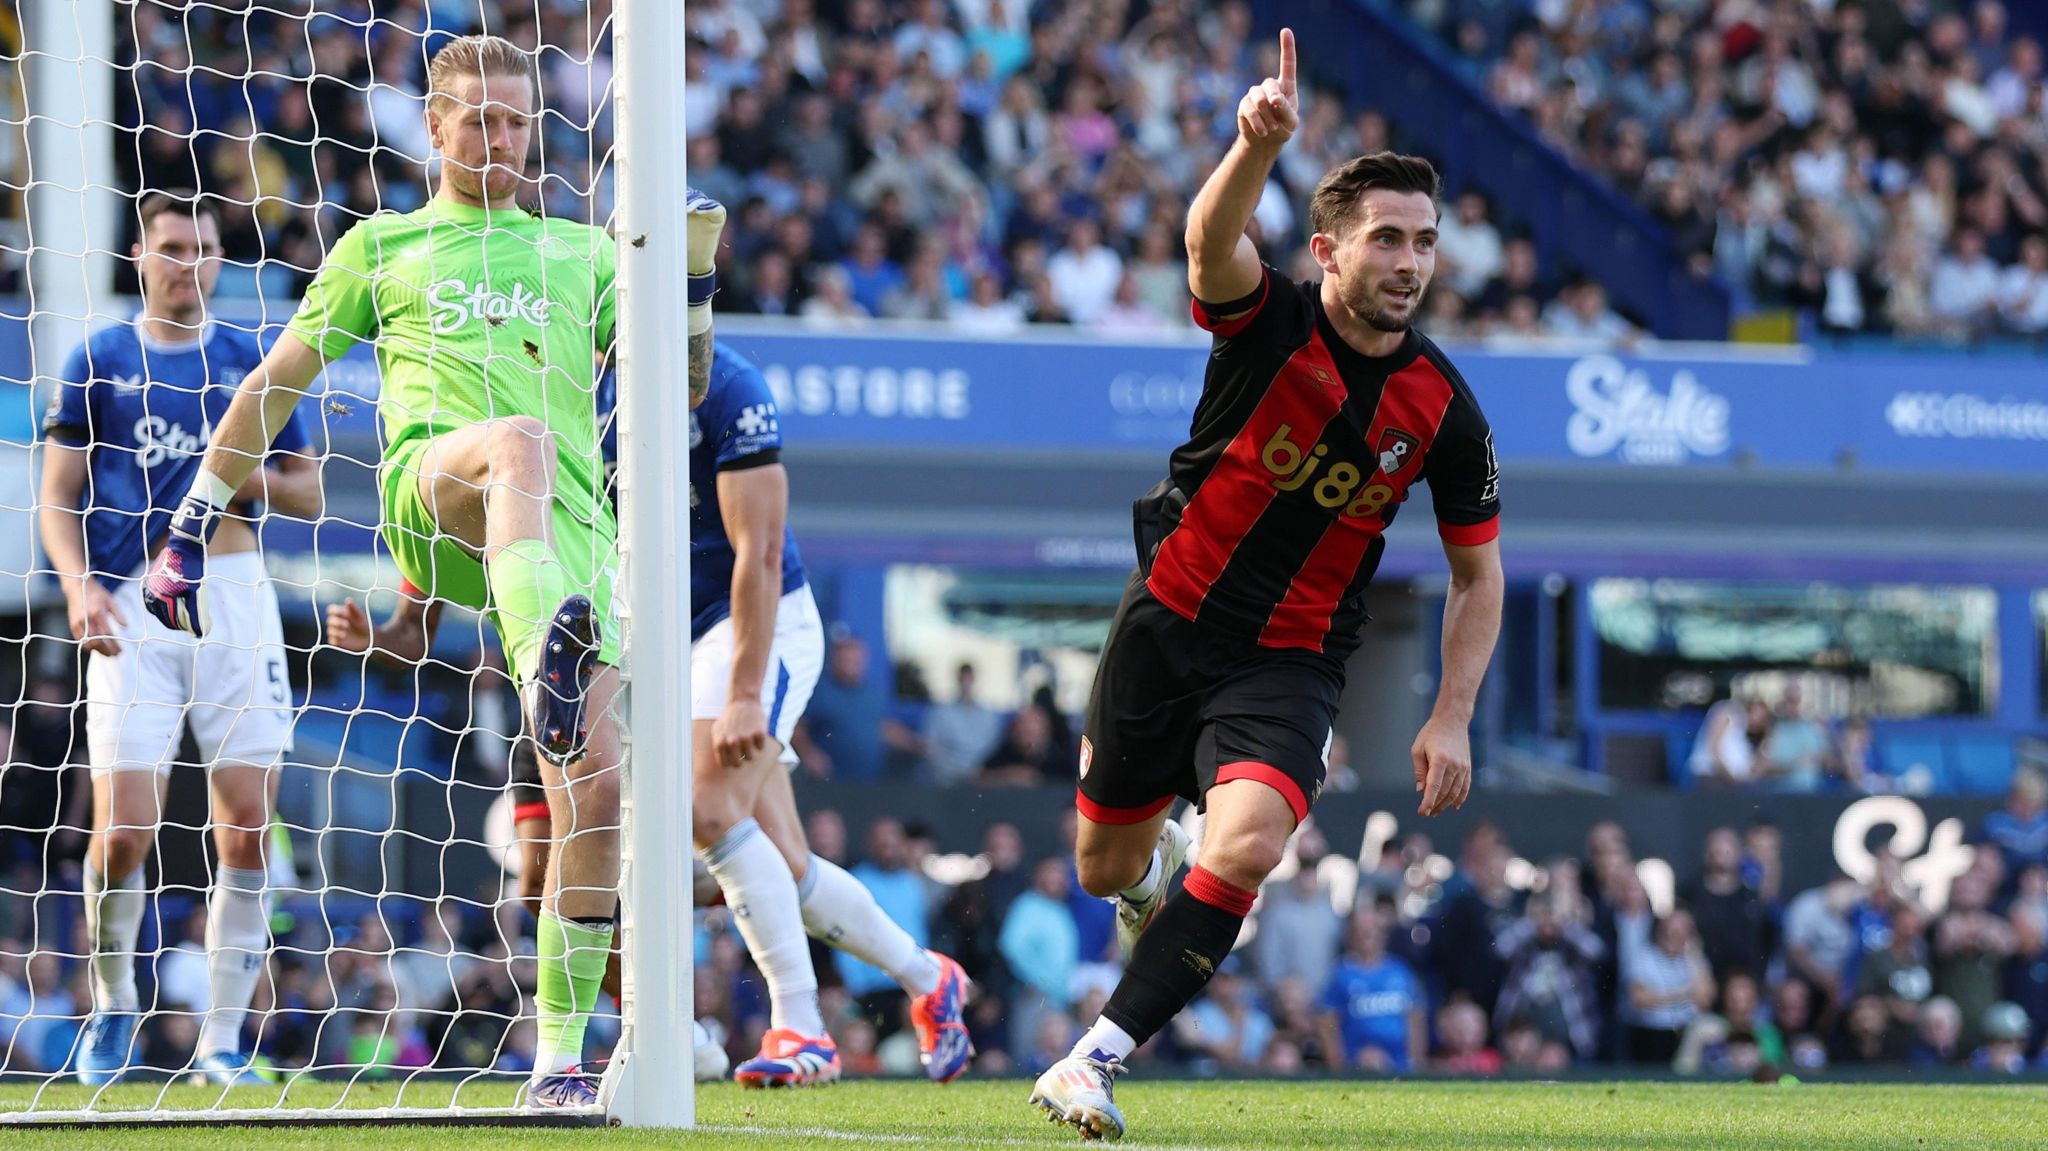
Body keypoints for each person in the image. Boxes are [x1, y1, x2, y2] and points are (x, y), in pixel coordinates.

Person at [1029, 28, 1503, 1141]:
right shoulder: (1272, 322)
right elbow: (1207, 247)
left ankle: (1093, 1058)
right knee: (1102, 866)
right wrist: (1252, 148)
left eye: (1423, 242)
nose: (1407, 261)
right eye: (1384, 238)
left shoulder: (1443, 407)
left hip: (1288, 660)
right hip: (1165, 623)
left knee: (1245, 845)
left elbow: (1476, 575)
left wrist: (1449, 711)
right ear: (1329, 250)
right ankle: (1153, 875)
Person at [144, 36, 631, 1109]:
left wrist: (684, 293)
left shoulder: (585, 253)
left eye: (516, 121)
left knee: (591, 796)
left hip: (563, 548)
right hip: (435, 495)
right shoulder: (386, 245)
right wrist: (191, 524)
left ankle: (556, 1062)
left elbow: (677, 384)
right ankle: (546, 654)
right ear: (438, 126)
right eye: (478, 121)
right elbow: (274, 384)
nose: (500, 139)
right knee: (515, 441)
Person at [333, 340, 973, 1087]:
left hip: (735, 625)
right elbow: (473, 506)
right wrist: (402, 621)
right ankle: (929, 978)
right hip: (614, 639)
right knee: (772, 858)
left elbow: (759, 554)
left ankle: (799, 1026)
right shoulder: (556, 389)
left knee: (708, 812)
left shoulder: (730, 387)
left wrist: (740, 692)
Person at [40, 190, 321, 1086]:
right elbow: (56, 496)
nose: (187, 264)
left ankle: (224, 1041)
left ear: (219, 260)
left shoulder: (250, 359)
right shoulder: (100, 359)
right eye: (171, 247)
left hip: (236, 599)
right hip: (129, 605)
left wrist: (236, 481)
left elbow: (309, 491)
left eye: (202, 249)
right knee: (125, 830)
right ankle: (113, 1005)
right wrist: (79, 585)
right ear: (140, 255)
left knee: (246, 829)